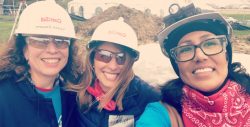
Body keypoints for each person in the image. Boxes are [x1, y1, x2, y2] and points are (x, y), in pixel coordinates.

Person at [136, 4, 250, 127]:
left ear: (226, 55)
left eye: (210, 43)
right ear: (177, 64)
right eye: (185, 49)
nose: (200, 56)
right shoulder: (162, 114)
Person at [0, 1, 82, 127]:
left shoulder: (74, 91)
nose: (52, 50)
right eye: (40, 41)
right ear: (24, 48)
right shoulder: (4, 97)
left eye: (61, 41)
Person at [68, 17, 160, 127]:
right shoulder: (77, 90)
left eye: (121, 57)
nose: (112, 66)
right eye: (104, 55)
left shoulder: (147, 97)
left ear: (130, 63)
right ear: (92, 58)